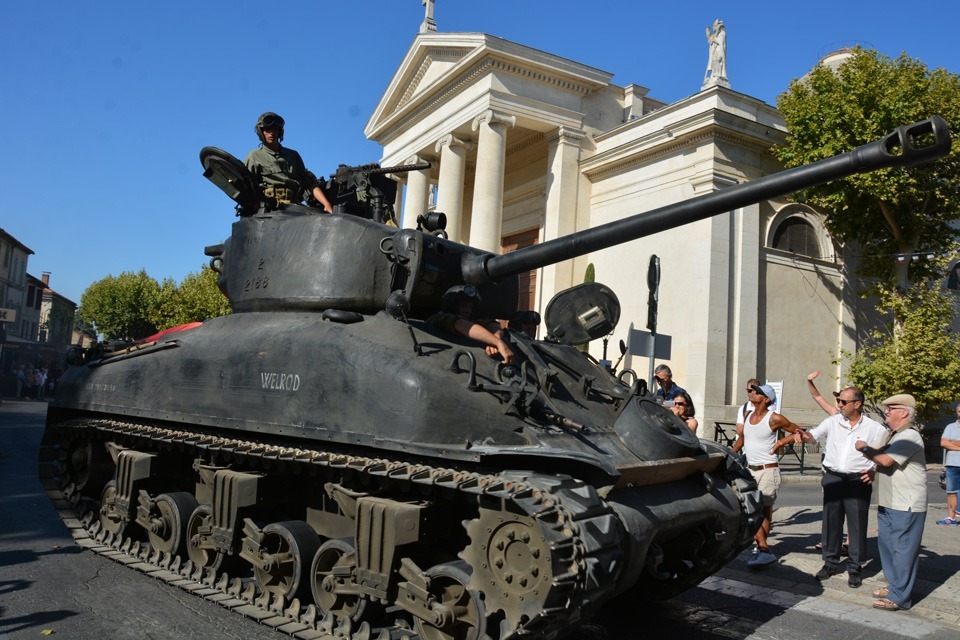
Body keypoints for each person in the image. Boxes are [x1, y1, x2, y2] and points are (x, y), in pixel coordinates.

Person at [784, 386, 886, 588]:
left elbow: (883, 451)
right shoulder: (833, 421)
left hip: (858, 481)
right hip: (833, 478)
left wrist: (874, 469)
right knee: (831, 523)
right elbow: (813, 436)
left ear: (857, 404)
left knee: (857, 526)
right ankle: (830, 563)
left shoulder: (874, 428)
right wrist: (802, 435)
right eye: (838, 401)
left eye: (843, 402)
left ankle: (855, 568)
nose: (839, 404)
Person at [855, 394, 927, 611]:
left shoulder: (910, 437)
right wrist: (872, 470)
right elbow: (882, 461)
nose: (886, 411)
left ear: (904, 412)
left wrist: (864, 448)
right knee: (887, 546)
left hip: (907, 503)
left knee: (903, 550)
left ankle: (900, 596)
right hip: (888, 500)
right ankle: (895, 585)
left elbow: (885, 458)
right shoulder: (890, 434)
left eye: (891, 408)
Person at [732, 383, 805, 567]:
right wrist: (731, 454)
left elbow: (799, 431)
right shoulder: (748, 415)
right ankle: (762, 548)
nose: (752, 393)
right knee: (755, 511)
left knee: (760, 512)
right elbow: (742, 439)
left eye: (757, 392)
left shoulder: (775, 419)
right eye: (751, 390)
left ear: (766, 399)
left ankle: (763, 549)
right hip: (750, 469)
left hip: (768, 470)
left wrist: (782, 442)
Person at [245, 112, 333, 212]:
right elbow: (246, 188)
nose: (272, 133)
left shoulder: (293, 155)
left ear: (280, 132)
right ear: (261, 132)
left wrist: (326, 204)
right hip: (270, 209)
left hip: (294, 207)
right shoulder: (254, 156)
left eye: (275, 129)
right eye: (268, 129)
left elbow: (310, 183)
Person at [428, 285, 514, 365]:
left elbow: (493, 324)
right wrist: (498, 343)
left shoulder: (471, 322)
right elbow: (461, 324)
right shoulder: (439, 317)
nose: (468, 310)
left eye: (470, 307)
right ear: (452, 305)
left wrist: (495, 340)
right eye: (464, 306)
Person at [937, 401, 960, 526]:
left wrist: (953, 442)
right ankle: (951, 518)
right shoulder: (950, 427)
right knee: (951, 491)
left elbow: (948, 442)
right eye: (959, 411)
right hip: (952, 464)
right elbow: (943, 443)